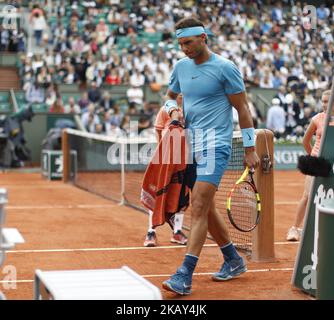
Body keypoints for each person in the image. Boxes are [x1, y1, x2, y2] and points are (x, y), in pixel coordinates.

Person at [161, 17, 259, 296]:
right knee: (205, 206)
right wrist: (173, 110)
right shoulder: (180, 67)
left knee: (199, 204)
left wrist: (250, 149)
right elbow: (170, 96)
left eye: (188, 42)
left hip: (216, 145)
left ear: (203, 37)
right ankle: (233, 259)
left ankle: (184, 274)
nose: (184, 49)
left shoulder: (226, 68)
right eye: (180, 44)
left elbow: (242, 109)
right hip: (190, 145)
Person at [287, 89, 334, 241]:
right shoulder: (317, 119)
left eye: (327, 101)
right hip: (317, 162)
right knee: (307, 196)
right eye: (323, 101)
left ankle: (332, 229)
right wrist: (314, 156)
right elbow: (305, 141)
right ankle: (294, 229)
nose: (324, 104)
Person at [143, 94, 188, 247]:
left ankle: (177, 232)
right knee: (157, 193)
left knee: (182, 195)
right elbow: (158, 131)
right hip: (165, 159)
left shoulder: (190, 109)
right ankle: (151, 232)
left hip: (183, 160)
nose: (181, 94)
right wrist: (161, 152)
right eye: (179, 92)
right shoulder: (164, 110)